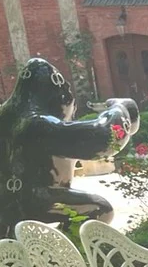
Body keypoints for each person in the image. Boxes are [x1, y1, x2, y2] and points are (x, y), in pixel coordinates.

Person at [0, 58, 138, 238]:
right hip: (35, 197)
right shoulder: (37, 124)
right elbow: (103, 138)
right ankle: (62, 254)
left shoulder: (10, 116)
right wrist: (121, 109)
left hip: (5, 196)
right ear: (60, 97)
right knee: (100, 209)